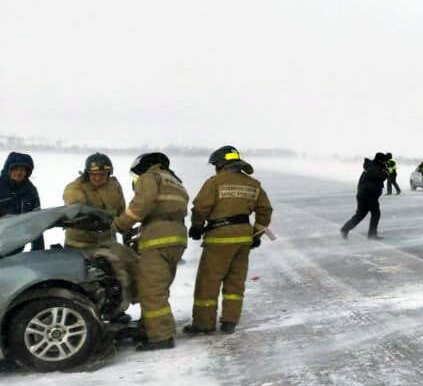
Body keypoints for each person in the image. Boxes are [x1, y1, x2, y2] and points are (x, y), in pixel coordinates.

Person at [185, 146, 273, 336]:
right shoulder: (253, 184)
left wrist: (197, 225)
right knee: (235, 282)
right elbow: (265, 210)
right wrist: (257, 234)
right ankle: (229, 322)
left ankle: (204, 324)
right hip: (243, 238)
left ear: (220, 164)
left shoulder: (215, 182)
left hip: (219, 237)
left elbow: (201, 206)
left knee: (208, 282)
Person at [114, 153, 188, 351]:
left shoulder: (150, 177)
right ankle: (160, 327)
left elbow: (140, 206)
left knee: (150, 291)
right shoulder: (175, 181)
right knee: (161, 288)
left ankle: (160, 337)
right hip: (178, 238)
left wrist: (119, 225)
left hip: (157, 238)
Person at [62, 152, 138, 312]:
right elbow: (75, 208)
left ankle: (131, 303)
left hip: (107, 241)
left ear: (109, 174)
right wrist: (90, 219)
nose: (98, 178)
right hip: (81, 244)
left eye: (102, 174)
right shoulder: (74, 188)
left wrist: (127, 234)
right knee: (115, 271)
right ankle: (109, 309)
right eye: (94, 174)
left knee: (134, 263)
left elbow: (121, 212)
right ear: (87, 174)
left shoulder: (114, 186)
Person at [0, 152, 45, 250]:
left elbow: (36, 221)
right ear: (8, 169)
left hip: (17, 248)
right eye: (15, 169)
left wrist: (38, 251)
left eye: (23, 170)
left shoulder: (30, 191)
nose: (19, 172)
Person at [340, 153, 387, 239]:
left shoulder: (371, 166)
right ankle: (372, 234)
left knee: (360, 215)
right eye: (384, 161)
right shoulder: (374, 168)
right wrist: (386, 170)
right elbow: (383, 176)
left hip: (364, 194)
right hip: (369, 195)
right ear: (380, 161)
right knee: (375, 214)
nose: (385, 163)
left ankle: (345, 229)